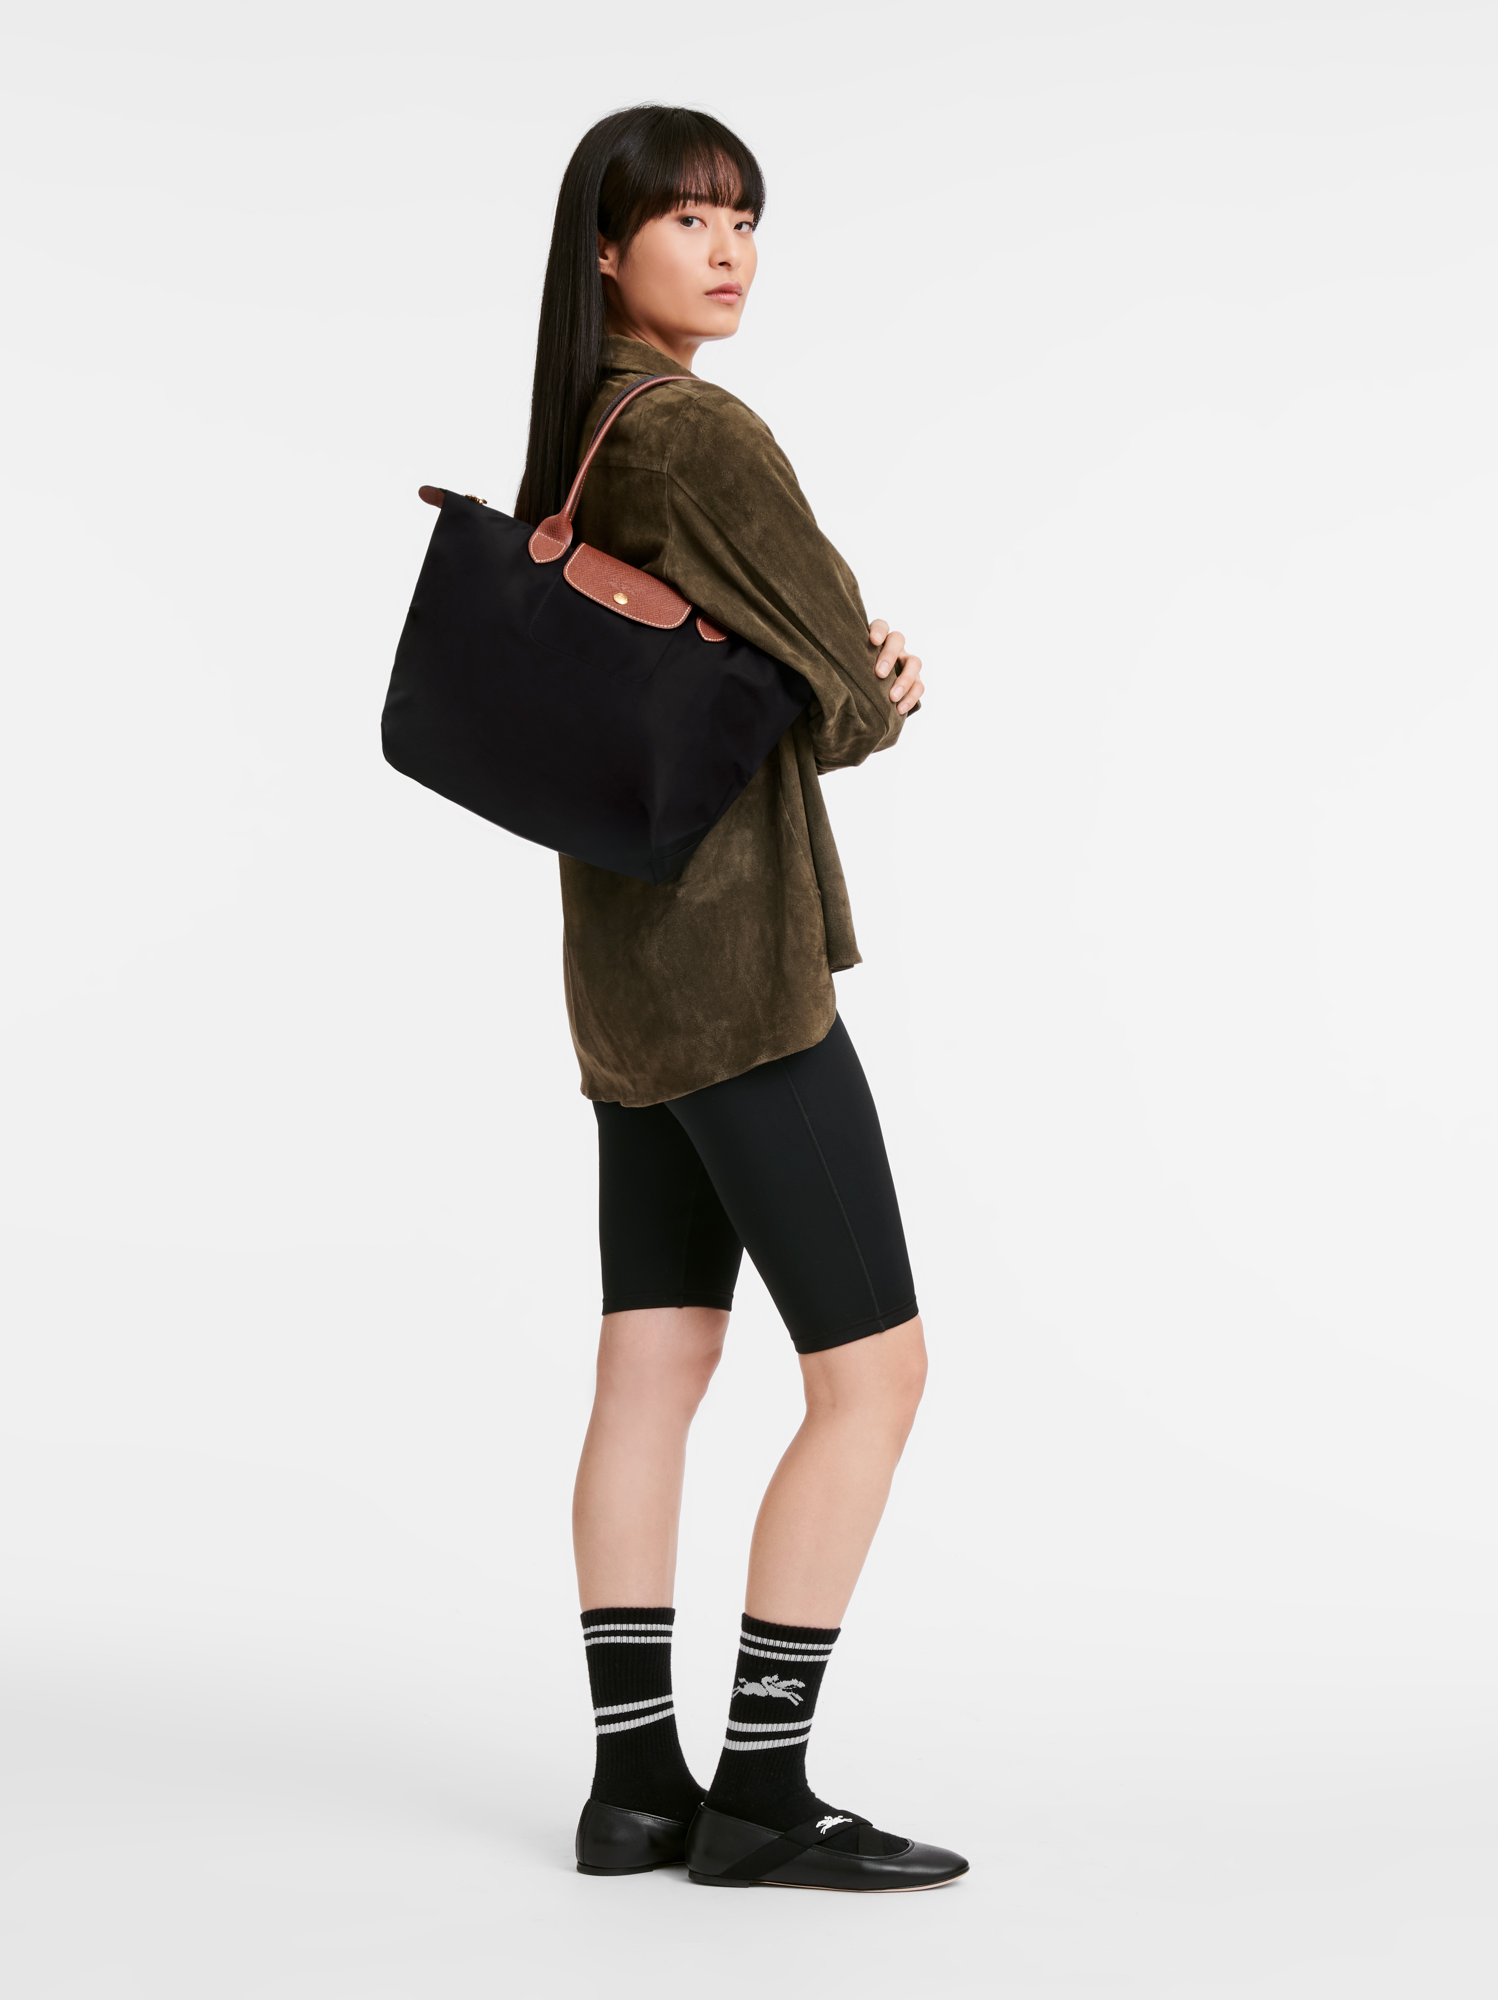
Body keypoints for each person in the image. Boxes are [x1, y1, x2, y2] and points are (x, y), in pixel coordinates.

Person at [517, 106, 966, 1893]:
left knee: (654, 1364)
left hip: (626, 986)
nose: (727, 251)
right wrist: (887, 679)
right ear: (606, 248)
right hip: (739, 979)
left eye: (744, 219)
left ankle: (636, 1786)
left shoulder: (582, 435)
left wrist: (831, 680)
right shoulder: (695, 432)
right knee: (876, 1375)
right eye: (687, 219)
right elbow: (841, 687)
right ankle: (764, 1795)